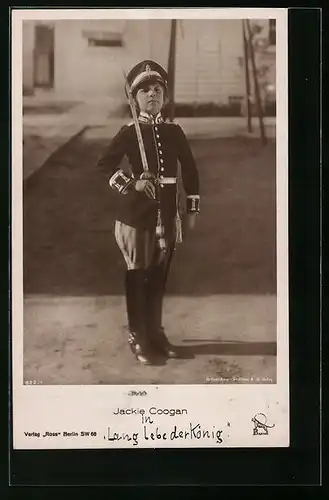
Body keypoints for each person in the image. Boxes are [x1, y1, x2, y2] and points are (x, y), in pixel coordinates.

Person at [96, 60, 200, 365]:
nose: (152, 95)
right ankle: (137, 335)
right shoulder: (130, 132)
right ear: (134, 98)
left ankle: (155, 332)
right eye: (144, 90)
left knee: (158, 275)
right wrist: (132, 183)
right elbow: (104, 166)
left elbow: (190, 169)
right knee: (137, 273)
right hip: (136, 217)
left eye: (157, 89)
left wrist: (191, 205)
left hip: (167, 214)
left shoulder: (175, 131)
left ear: (164, 97)